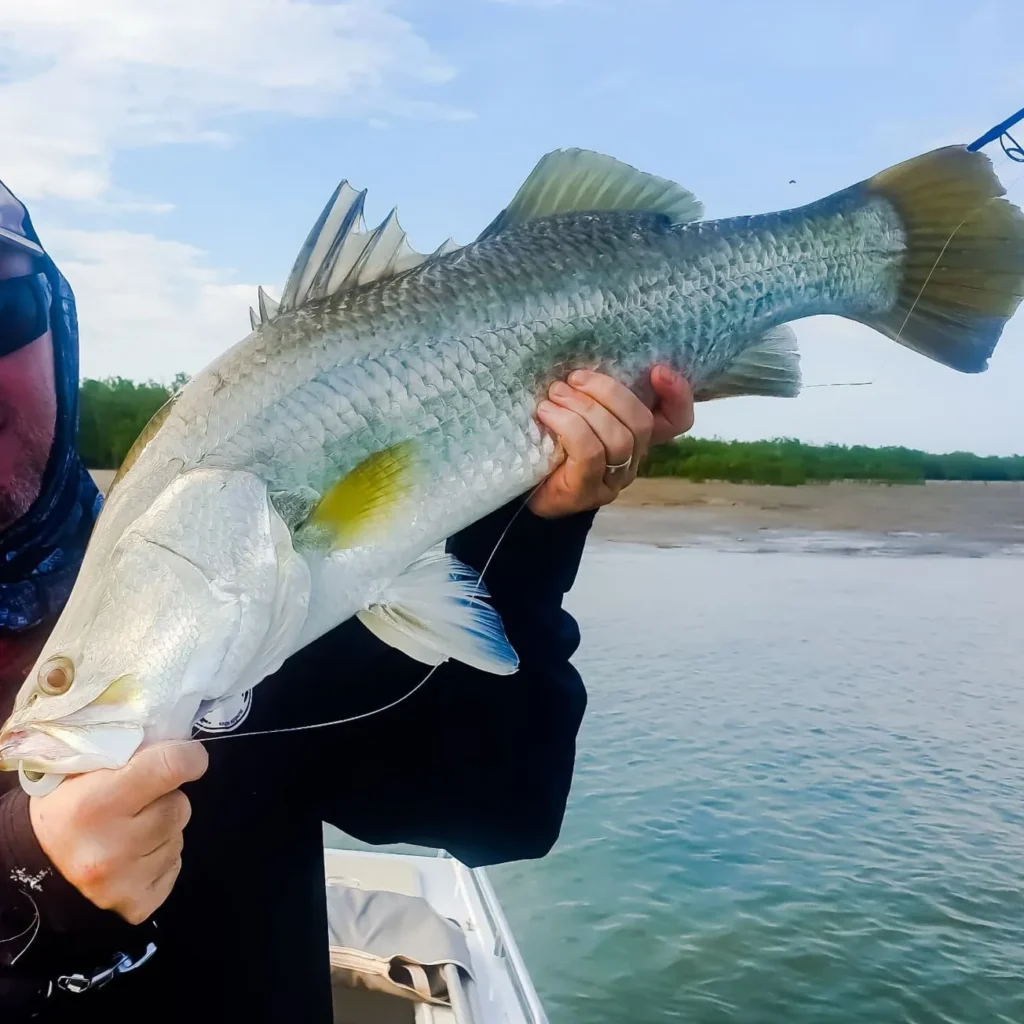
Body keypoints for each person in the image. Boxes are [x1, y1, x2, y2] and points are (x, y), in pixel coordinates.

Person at [0, 178, 695, 1022]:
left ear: (55, 330)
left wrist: (530, 530)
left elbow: (503, 814)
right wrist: (28, 889)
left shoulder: (229, 584)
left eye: (1, 311)